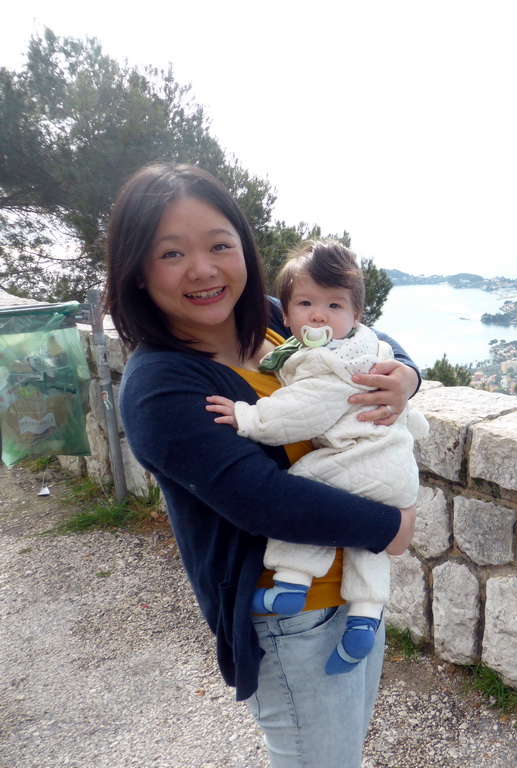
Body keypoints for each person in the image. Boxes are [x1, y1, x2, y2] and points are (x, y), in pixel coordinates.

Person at [105, 162, 417, 768]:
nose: (203, 269)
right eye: (171, 253)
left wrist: (407, 374)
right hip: (289, 614)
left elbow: (363, 336)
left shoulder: (273, 318)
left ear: (243, 250)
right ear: (138, 273)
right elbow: (260, 498)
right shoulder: (159, 387)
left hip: (353, 594)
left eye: (220, 245)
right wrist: (392, 528)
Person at [205, 239, 428, 675]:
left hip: (363, 458)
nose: (320, 314)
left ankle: (290, 581)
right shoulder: (364, 346)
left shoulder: (328, 364)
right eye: (306, 303)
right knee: (368, 541)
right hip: (396, 466)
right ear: (284, 315)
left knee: (307, 482)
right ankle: (365, 613)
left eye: (334, 305)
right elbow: (388, 353)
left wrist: (249, 418)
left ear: (356, 315)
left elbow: (301, 413)